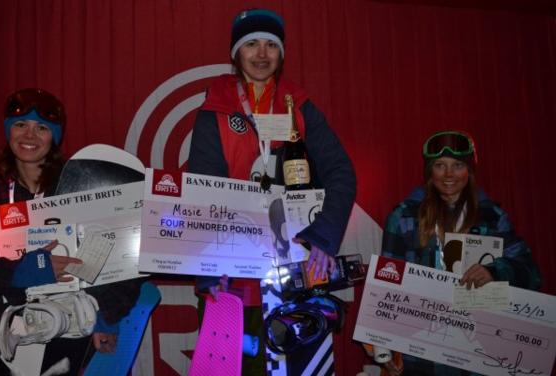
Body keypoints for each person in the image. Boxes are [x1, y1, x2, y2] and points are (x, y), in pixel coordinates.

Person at [187, 8, 356, 374]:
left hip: (295, 266)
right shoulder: (213, 110)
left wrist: (325, 238)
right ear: (236, 53)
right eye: (251, 45)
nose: (262, 54)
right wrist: (209, 268)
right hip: (233, 274)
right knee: (238, 369)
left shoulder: (301, 108)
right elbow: (202, 191)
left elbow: (341, 172)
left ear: (281, 55)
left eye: (271, 46)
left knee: (298, 365)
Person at [0, 88, 141, 375]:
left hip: (73, 334)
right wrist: (26, 270)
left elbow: (122, 261)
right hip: (6, 337)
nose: (29, 136)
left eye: (41, 128)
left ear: (54, 136)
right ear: (9, 131)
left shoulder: (78, 188)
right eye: (20, 125)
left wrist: (105, 316)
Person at [379, 130, 541, 375]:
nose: (448, 175)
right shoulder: (403, 218)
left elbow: (532, 275)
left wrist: (495, 271)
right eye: (440, 166)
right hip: (422, 357)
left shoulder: (493, 218)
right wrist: (384, 344)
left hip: (479, 353)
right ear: (429, 172)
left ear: (470, 171)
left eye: (458, 165)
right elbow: (387, 286)